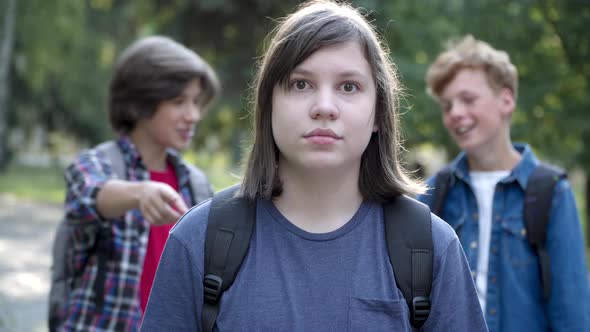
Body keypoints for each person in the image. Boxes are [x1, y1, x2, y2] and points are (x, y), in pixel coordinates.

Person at [140, 1, 487, 331]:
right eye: (300, 84)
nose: (324, 106)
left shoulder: (431, 248)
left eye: (348, 86)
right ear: (269, 105)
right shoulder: (198, 241)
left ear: (379, 113)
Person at [418, 35, 590, 331]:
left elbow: (571, 312)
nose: (455, 113)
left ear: (506, 100)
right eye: (447, 106)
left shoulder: (552, 193)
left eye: (468, 99)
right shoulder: (434, 192)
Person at [57, 35, 220, 331]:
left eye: (196, 102)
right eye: (178, 101)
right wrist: (140, 193)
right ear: (137, 105)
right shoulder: (98, 164)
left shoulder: (196, 185)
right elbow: (87, 195)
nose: (193, 115)